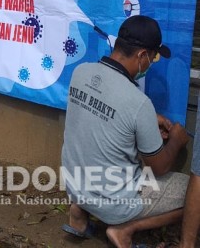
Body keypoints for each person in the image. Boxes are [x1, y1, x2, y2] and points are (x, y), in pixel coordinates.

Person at [60, 15, 189, 248]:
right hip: (114, 203)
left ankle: (79, 212)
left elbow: (100, 121)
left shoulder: (80, 72)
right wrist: (177, 141)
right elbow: (158, 167)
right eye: (154, 57)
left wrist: (148, 121)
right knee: (195, 193)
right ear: (142, 55)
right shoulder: (138, 103)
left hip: (76, 186)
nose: (152, 63)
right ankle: (125, 230)